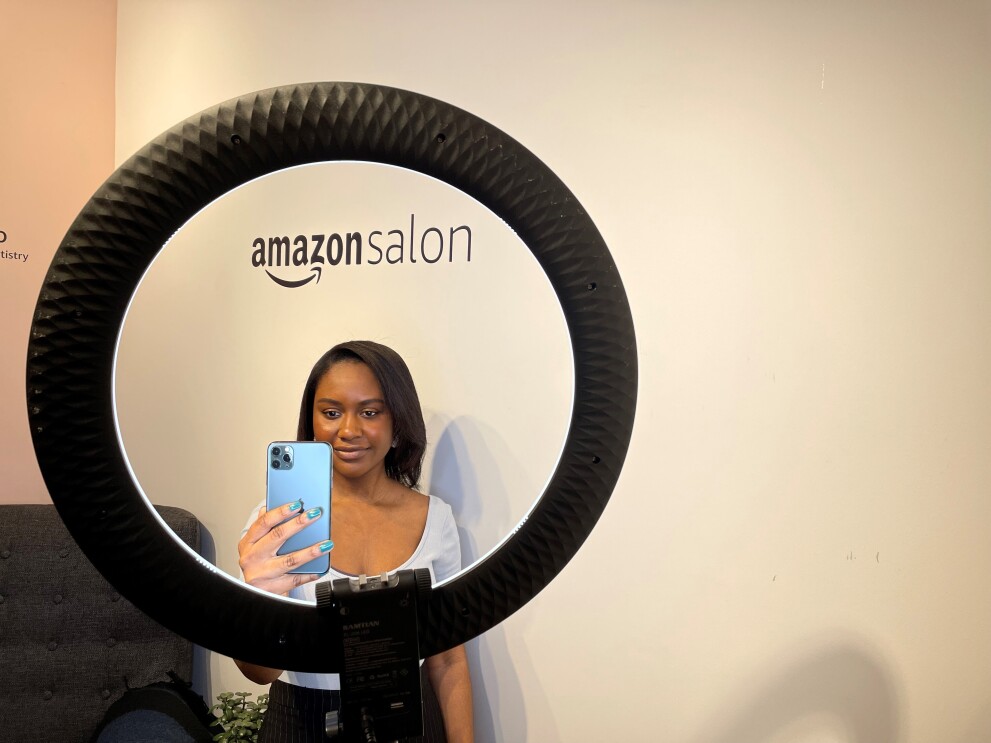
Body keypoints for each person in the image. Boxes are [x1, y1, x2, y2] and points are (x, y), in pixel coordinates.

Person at [235, 340, 474, 743]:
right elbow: (259, 674)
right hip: (301, 721)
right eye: (331, 412)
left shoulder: (435, 519)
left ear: (398, 422)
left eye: (370, 412)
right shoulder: (277, 522)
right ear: (312, 421)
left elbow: (448, 659)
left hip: (410, 720)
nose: (348, 430)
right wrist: (255, 599)